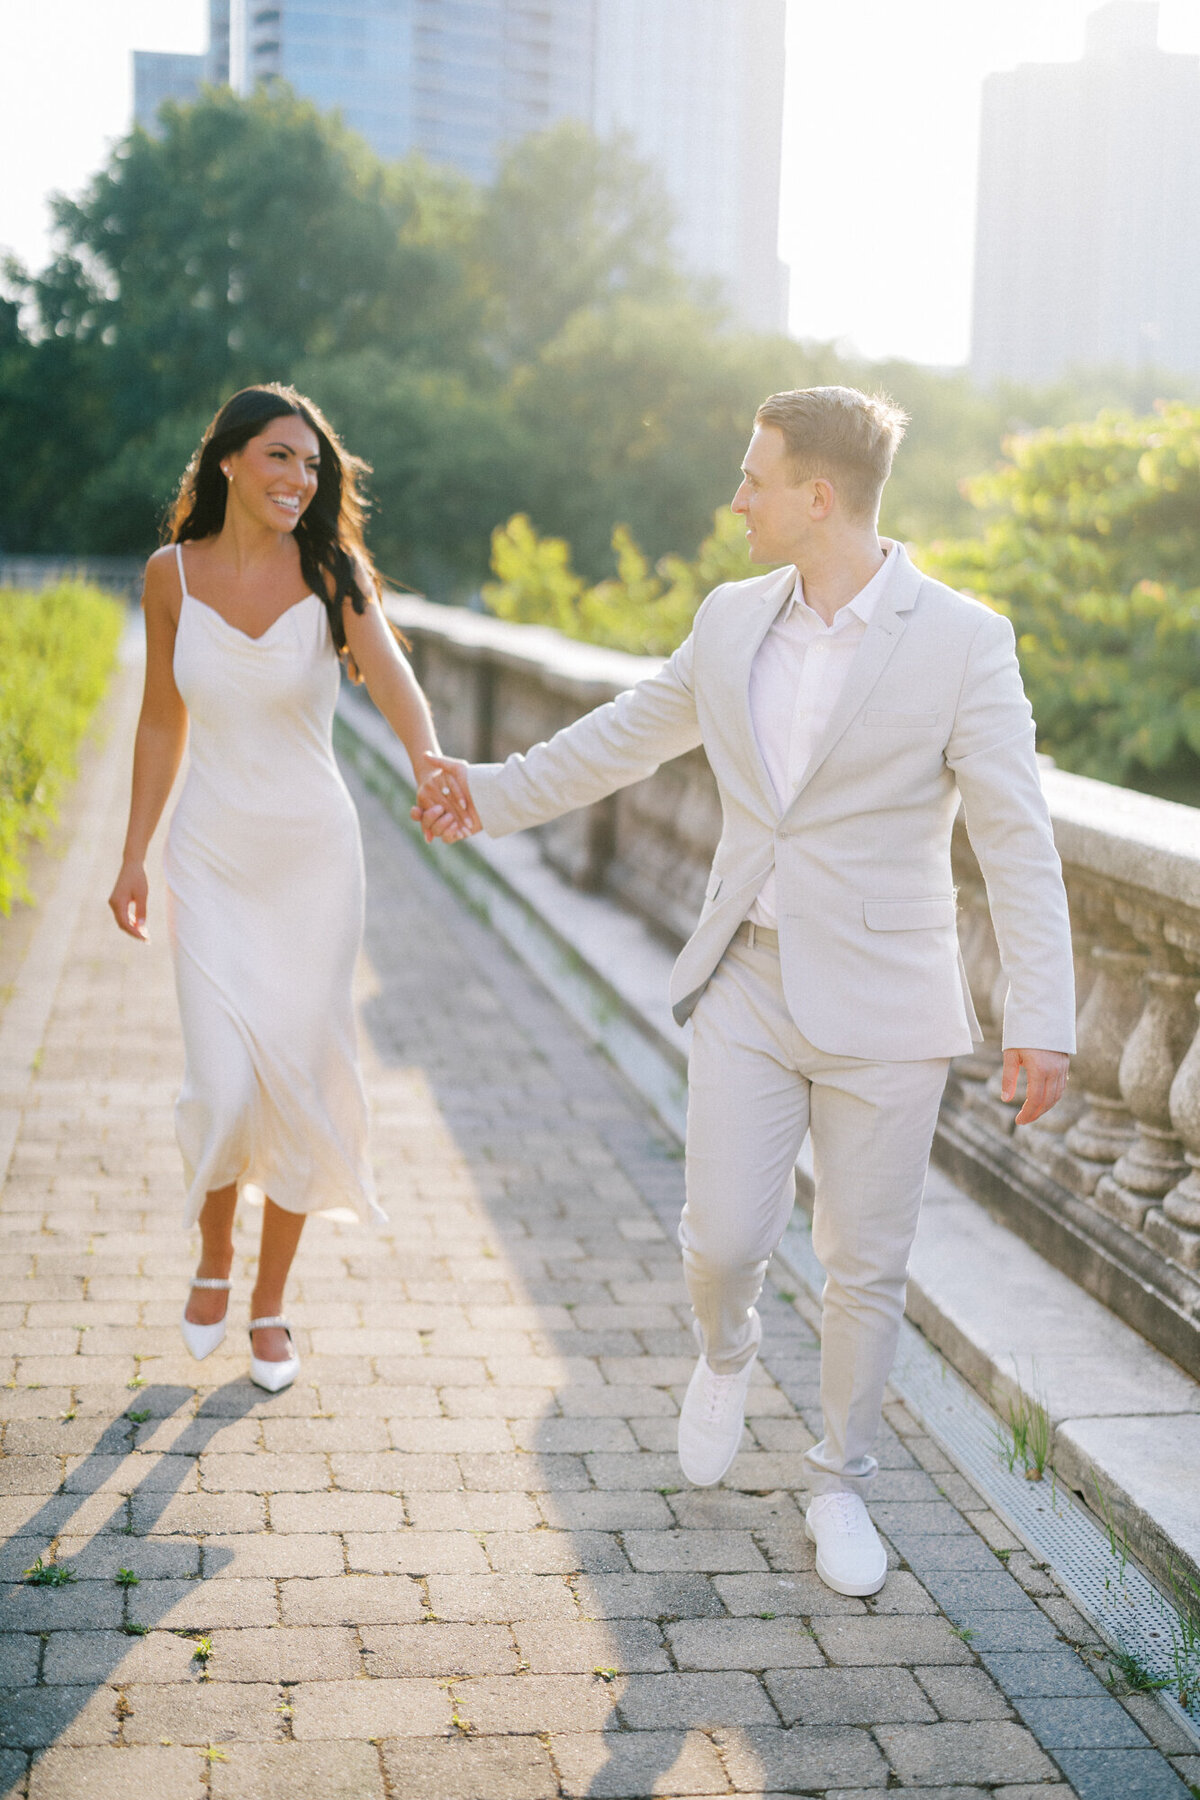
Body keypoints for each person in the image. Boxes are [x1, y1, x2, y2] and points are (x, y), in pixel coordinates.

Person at [414, 386, 1075, 1597]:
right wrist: (490, 790)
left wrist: (1044, 1017)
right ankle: (727, 1352)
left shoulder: (966, 640)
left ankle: (839, 1480)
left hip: (889, 1002)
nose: (736, 499)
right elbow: (622, 735)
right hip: (748, 981)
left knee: (865, 1262)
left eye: (752, 478)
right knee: (723, 1241)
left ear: (817, 497)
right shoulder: (730, 620)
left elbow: (1018, 838)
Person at [109, 383, 471, 1393]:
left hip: (314, 862)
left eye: (312, 466)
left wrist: (429, 758)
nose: (299, 480)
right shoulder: (169, 576)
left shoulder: (330, 568)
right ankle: (212, 1259)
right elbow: (156, 722)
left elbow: (390, 671)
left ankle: (270, 1305)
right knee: (223, 1085)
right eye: (280, 458)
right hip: (211, 860)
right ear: (228, 460)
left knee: (299, 1082)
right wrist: (133, 854)